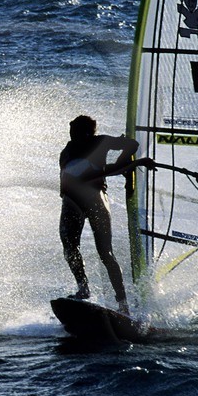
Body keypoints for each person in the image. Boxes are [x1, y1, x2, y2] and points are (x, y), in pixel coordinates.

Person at [59, 115, 150, 314]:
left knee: (105, 253)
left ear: (86, 133)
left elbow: (131, 144)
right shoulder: (67, 149)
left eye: (75, 131)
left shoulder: (101, 141)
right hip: (72, 203)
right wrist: (125, 166)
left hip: (96, 200)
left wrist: (127, 162)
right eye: (70, 130)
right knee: (69, 247)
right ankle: (83, 289)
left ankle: (122, 303)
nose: (71, 134)